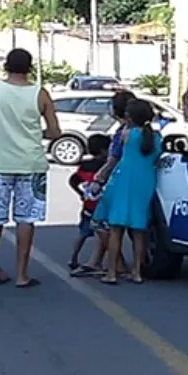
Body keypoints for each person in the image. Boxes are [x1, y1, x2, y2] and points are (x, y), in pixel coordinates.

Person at [0, 48, 62, 288]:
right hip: (31, 165)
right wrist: (33, 133)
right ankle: (22, 275)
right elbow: (54, 132)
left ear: (6, 66)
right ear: (29, 68)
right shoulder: (40, 94)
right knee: (26, 220)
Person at [93, 98, 162, 284]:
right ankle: (137, 272)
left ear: (129, 117)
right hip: (145, 181)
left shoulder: (127, 134)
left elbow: (117, 156)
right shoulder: (156, 137)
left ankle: (112, 272)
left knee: (116, 228)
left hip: (123, 181)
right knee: (139, 229)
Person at [82, 90, 136, 278]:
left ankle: (116, 264)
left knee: (102, 223)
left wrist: (99, 178)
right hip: (138, 181)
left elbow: (114, 159)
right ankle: (98, 261)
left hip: (118, 181)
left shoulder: (122, 133)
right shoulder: (144, 132)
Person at [67, 133, 111, 275]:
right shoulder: (105, 167)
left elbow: (73, 180)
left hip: (88, 205)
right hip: (102, 205)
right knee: (103, 234)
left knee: (83, 233)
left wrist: (80, 194)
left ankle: (73, 257)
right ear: (104, 151)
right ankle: (100, 261)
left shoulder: (84, 166)